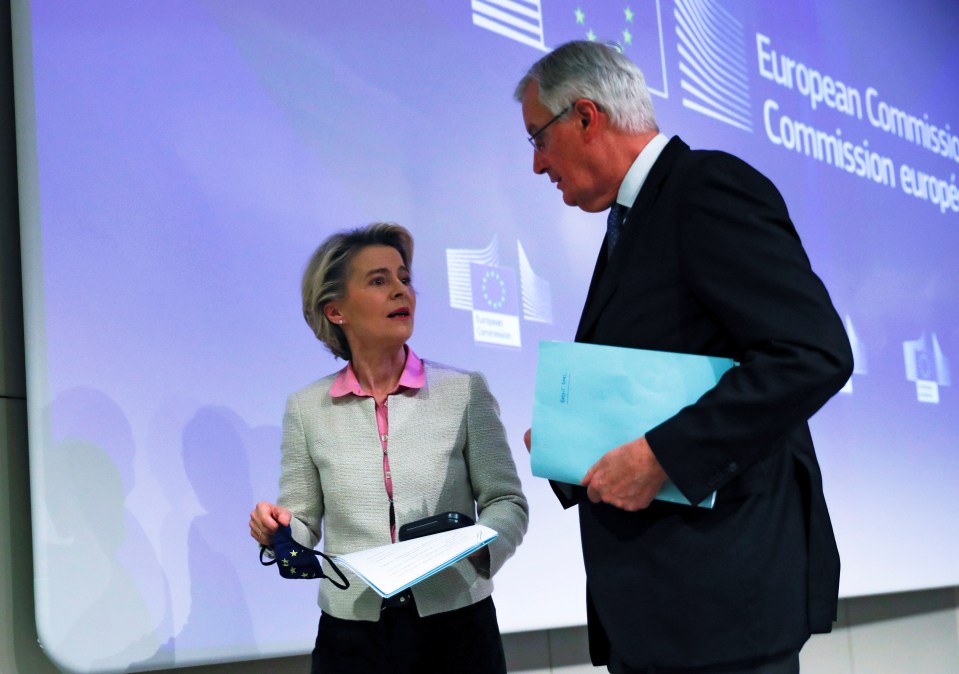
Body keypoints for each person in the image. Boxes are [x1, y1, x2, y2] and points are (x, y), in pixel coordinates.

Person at [514, 41, 853, 674]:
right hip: (661, 611)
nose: (537, 165)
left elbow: (812, 353)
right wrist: (573, 439)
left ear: (585, 116)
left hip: (719, 607)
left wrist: (662, 457)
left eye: (538, 138)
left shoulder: (706, 188)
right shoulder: (634, 220)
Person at [249, 222, 528, 674]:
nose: (401, 291)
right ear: (335, 310)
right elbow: (302, 521)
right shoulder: (306, 409)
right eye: (379, 281)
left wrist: (479, 548)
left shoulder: (465, 391)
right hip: (353, 637)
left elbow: (506, 501)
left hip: (456, 626)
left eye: (404, 278)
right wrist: (278, 531)